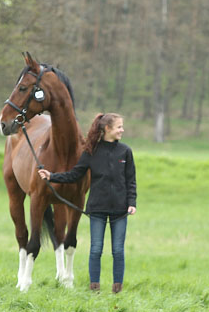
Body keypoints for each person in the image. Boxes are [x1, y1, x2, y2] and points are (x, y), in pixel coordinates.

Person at [38, 113, 137, 293]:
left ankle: (117, 289)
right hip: (97, 209)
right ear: (107, 129)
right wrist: (52, 176)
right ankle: (95, 289)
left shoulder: (125, 152)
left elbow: (131, 180)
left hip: (120, 210)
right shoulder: (91, 152)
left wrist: (132, 203)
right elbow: (75, 174)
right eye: (119, 127)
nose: (122, 130)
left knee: (118, 251)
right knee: (96, 249)